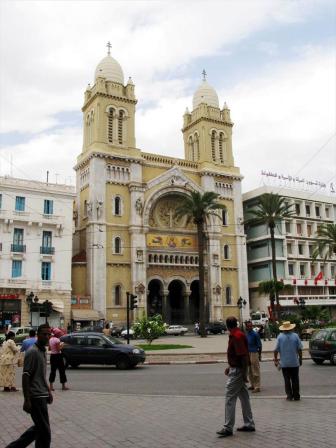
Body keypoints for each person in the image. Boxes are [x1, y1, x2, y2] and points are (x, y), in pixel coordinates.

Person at [6, 324, 53, 448]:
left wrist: (49, 391)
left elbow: (41, 375)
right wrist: (26, 400)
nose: (47, 336)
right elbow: (26, 376)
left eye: (49, 334)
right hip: (35, 396)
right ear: (38, 335)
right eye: (44, 334)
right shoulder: (32, 352)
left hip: (42, 395)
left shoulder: (43, 351)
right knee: (45, 432)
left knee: (39, 429)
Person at [216, 316, 255, 438]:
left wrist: (243, 374)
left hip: (238, 371)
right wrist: (230, 366)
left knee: (229, 397)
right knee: (244, 397)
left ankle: (228, 427)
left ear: (227, 325)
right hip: (237, 368)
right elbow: (239, 356)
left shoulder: (236, 336)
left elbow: (243, 356)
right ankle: (249, 423)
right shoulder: (238, 334)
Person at [273, 321, 303, 401]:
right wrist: (300, 359)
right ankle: (296, 395)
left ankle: (289, 396)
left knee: (287, 380)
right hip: (294, 362)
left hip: (284, 363)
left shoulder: (280, 337)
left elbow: (275, 350)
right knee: (295, 380)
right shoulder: (295, 336)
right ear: (291, 328)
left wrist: (276, 360)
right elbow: (300, 349)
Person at [245, 321, 262, 393]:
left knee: (255, 369)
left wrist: (259, 355)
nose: (249, 327)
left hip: (254, 353)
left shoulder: (255, 334)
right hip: (248, 353)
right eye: (248, 326)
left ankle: (257, 386)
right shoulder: (246, 334)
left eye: (250, 326)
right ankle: (252, 385)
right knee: (249, 370)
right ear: (246, 327)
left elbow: (260, 345)